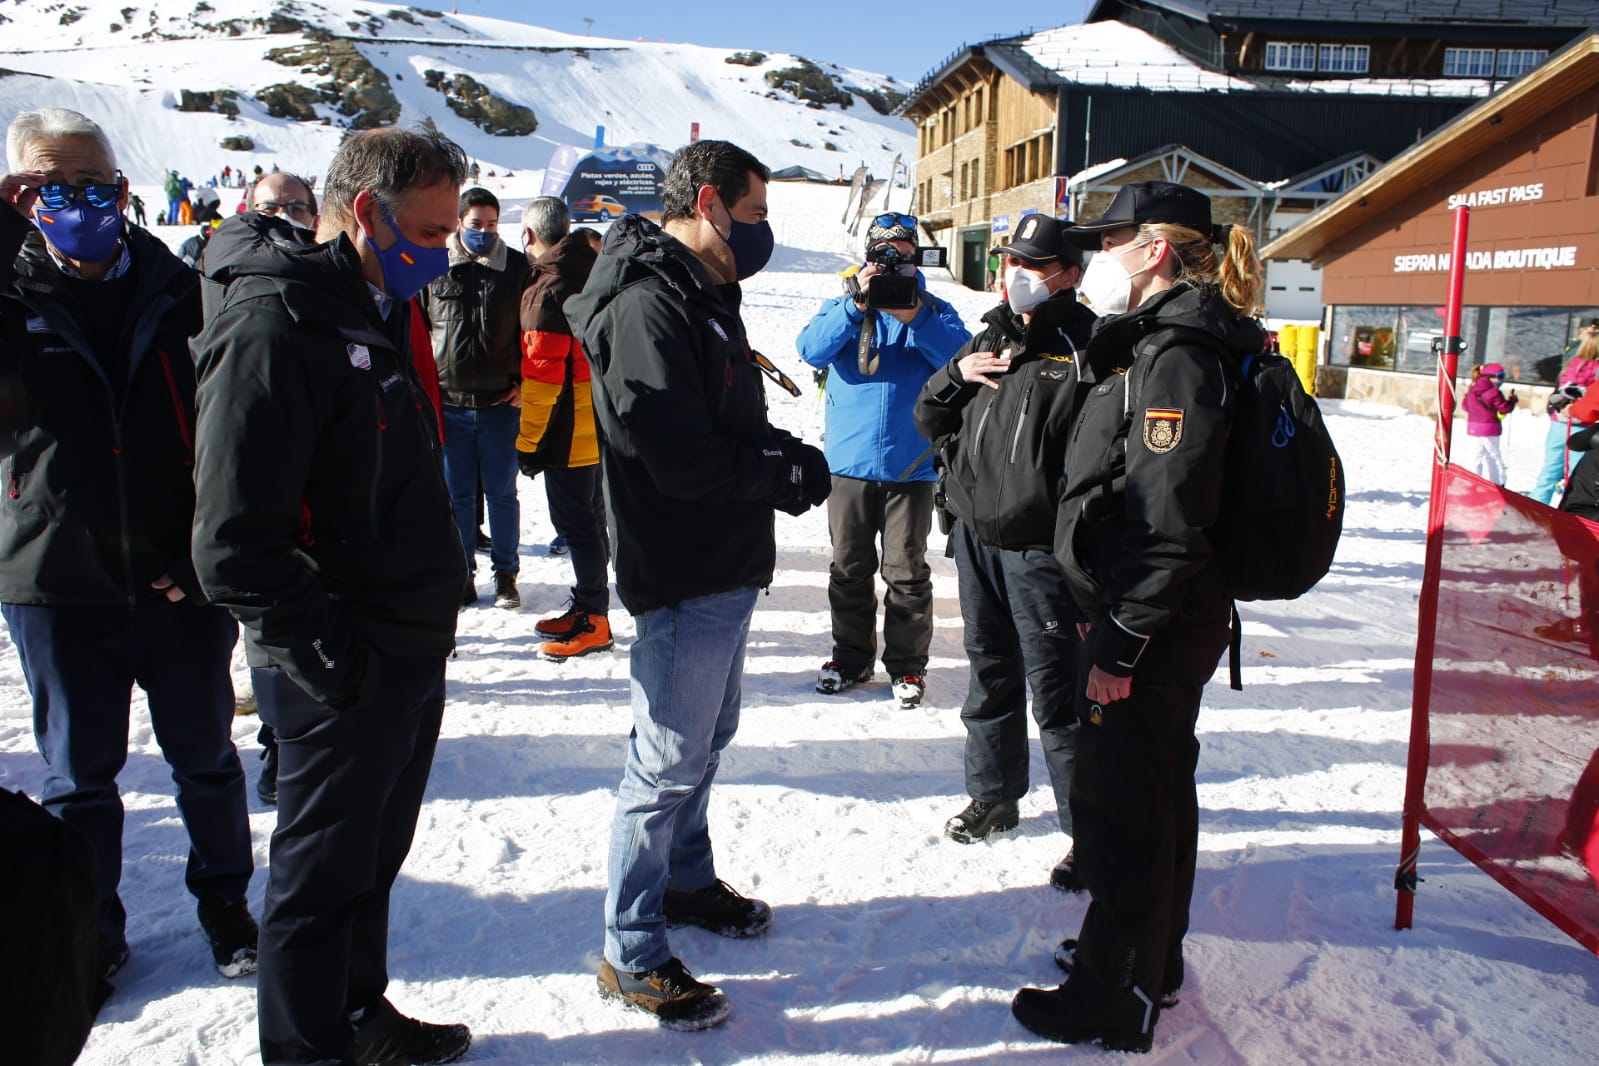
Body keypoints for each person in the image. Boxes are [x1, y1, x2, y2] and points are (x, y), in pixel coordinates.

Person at [190, 120, 472, 1066]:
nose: (438, 260)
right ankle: (305, 1049)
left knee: (369, 862)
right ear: (364, 212)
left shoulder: (373, 306)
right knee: (315, 882)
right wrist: (333, 660)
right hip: (336, 662)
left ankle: (359, 1017)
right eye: (428, 235)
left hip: (401, 644)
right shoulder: (277, 323)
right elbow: (233, 543)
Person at [565, 139, 830, 1030]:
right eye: (754, 214)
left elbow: (719, 418)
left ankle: (684, 880)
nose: (761, 233)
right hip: (683, 560)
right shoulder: (648, 302)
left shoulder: (699, 292)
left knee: (706, 737)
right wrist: (778, 473)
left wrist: (777, 455)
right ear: (710, 204)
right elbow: (671, 452)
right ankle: (629, 949)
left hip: (721, 555)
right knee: (666, 760)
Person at [1008, 181, 1268, 1053]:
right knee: (1155, 791)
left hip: (1149, 622)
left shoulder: (1176, 355)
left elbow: (1169, 519)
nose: (1096, 260)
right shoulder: (1168, 341)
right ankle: (1146, 960)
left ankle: (1110, 992)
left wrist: (1121, 640)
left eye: (1111, 240)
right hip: (1160, 616)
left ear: (1154, 249)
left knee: (1121, 806)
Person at [0, 108, 257, 986]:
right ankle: (92, 931)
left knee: (206, 758)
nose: (83, 204)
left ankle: (227, 904)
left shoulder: (178, 288)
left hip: (175, 579)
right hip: (54, 580)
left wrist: (200, 555)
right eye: (56, 188)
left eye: (99, 186)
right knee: (80, 780)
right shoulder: (9, 300)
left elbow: (228, 435)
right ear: (21, 197)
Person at [912, 213, 1094, 879]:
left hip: (1039, 553)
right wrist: (957, 373)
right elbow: (928, 417)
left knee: (1058, 696)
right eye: (1009, 260)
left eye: (1034, 263)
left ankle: (1087, 830)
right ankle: (993, 796)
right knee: (988, 673)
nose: (1015, 274)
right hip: (975, 538)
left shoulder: (1088, 349)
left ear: (1069, 275)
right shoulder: (990, 334)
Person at [797, 211, 970, 707]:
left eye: (905, 253)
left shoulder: (934, 309)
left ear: (918, 257)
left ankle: (907, 666)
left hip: (911, 466)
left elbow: (961, 359)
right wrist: (856, 304)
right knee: (849, 567)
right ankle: (850, 658)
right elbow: (810, 348)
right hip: (849, 465)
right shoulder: (846, 304)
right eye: (884, 254)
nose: (895, 262)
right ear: (868, 257)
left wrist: (915, 318)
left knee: (906, 570)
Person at [418, 186, 530, 610]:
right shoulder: (435, 267)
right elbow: (418, 329)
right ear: (460, 223)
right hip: (449, 404)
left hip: (501, 404)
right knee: (458, 497)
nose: (484, 232)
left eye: (492, 225)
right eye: (476, 224)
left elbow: (529, 332)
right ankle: (463, 574)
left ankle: (506, 575)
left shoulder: (516, 269)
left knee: (502, 494)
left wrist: (522, 380)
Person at [515, 195, 613, 659]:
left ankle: (594, 619)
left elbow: (541, 377)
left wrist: (528, 442)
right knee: (589, 517)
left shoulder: (549, 284)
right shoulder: (590, 268)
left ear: (529, 235)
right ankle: (590, 606)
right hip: (595, 416)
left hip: (568, 423)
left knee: (577, 523)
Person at [1530, 321, 1599, 505]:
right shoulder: (1593, 368)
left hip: (1561, 420)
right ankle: (1569, 506)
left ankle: (1537, 503)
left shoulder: (1571, 364)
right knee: (1575, 471)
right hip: (1582, 424)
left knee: (1551, 467)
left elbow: (1563, 388)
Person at [1461, 362, 1518, 485]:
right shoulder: (1494, 392)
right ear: (1490, 377)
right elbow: (1504, 408)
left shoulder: (1472, 390)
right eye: (1500, 376)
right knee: (1493, 456)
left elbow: (1465, 406)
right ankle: (1498, 483)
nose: (1502, 379)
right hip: (1490, 428)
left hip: (1473, 428)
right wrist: (1512, 400)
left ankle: (1471, 483)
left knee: (1474, 456)